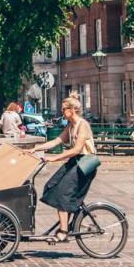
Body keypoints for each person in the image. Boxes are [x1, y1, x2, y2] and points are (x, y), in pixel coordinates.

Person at [29, 97, 97, 243]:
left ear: (72, 110)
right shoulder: (70, 125)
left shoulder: (82, 125)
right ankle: (75, 217)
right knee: (51, 185)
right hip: (76, 161)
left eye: (64, 109)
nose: (62, 112)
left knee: (62, 193)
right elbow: (57, 141)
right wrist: (36, 148)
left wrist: (55, 158)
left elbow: (77, 149)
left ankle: (63, 231)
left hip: (85, 164)